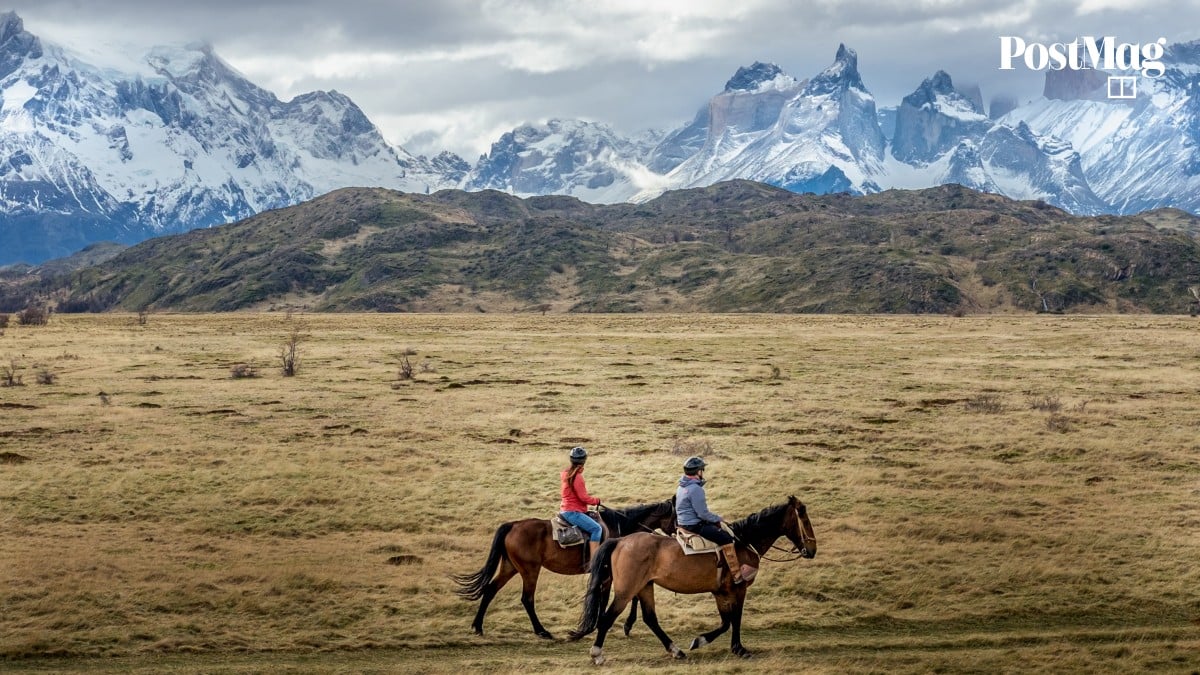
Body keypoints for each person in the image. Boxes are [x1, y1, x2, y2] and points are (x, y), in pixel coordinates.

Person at [675, 455, 753, 584]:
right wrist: (718, 518)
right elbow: (702, 514)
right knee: (726, 537)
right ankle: (736, 575)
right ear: (698, 471)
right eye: (702, 470)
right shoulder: (695, 489)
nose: (702, 472)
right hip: (694, 525)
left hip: (683, 523)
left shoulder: (682, 486)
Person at [560, 446, 603, 559]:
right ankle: (595, 561)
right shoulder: (577, 477)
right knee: (596, 529)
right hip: (573, 512)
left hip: (566, 509)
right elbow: (584, 498)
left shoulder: (566, 473)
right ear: (584, 461)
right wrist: (597, 501)